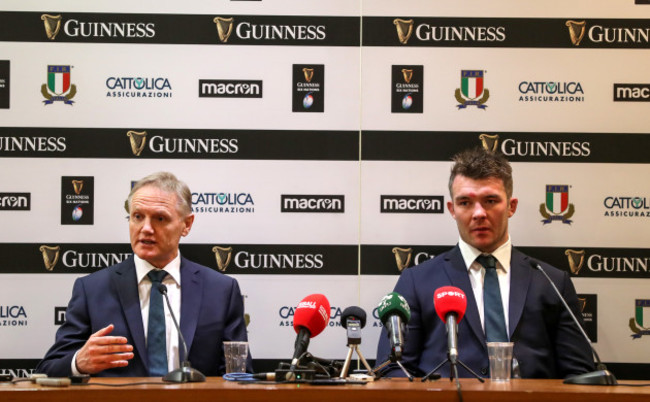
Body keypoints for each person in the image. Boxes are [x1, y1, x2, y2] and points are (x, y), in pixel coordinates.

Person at [376, 147, 594, 379]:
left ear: (511, 206)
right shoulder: (417, 282)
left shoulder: (551, 282)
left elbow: (580, 376)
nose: (479, 213)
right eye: (465, 203)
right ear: (452, 210)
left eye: (490, 200)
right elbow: (393, 371)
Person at [37, 172, 251, 377]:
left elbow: (239, 373)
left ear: (186, 224)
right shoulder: (92, 289)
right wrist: (79, 363)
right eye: (138, 216)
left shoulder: (221, 290)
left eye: (160, 218)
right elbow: (48, 369)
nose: (146, 228)